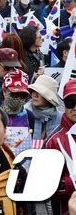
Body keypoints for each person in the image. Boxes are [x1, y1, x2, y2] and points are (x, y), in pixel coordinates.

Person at [46, 79, 76, 214]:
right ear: (64, 104)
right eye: (71, 102)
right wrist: (73, 182)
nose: (75, 107)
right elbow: (46, 185)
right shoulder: (54, 140)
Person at [26, 74, 62, 140]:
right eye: (33, 91)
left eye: (40, 92)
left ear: (49, 98)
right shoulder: (23, 114)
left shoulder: (61, 118)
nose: (35, 95)